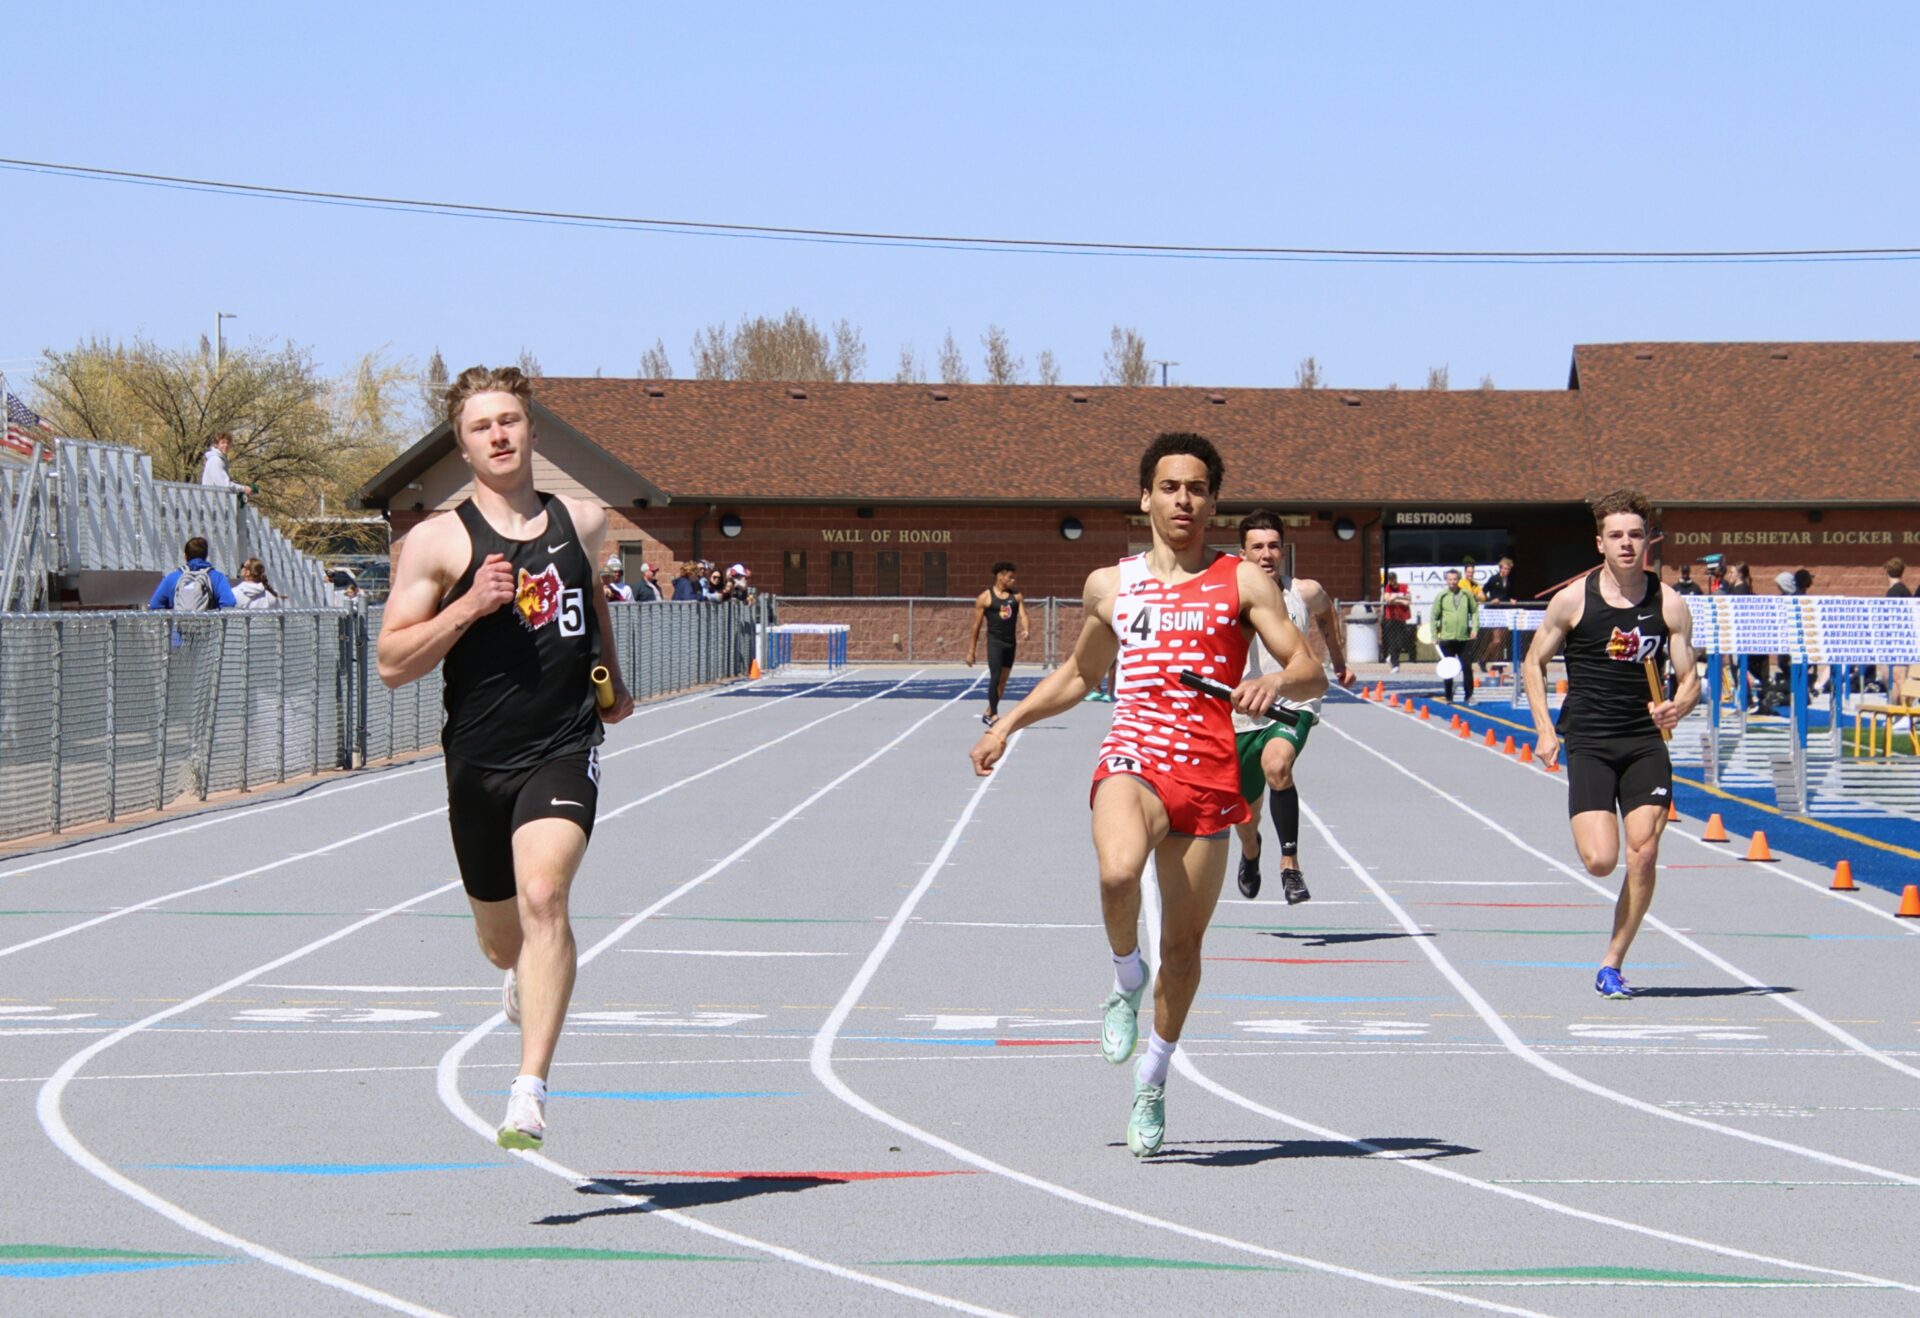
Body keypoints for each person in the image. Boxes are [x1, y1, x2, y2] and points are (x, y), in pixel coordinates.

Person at [969, 432, 1325, 1158]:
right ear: (1146, 498)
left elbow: (1310, 670)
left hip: (1209, 774)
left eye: (1197, 488)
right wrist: (1008, 723)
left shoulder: (1243, 583)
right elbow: (1078, 673)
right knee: (1116, 871)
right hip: (1134, 754)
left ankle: (1153, 1080)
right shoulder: (1113, 584)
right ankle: (1124, 974)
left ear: (1213, 502)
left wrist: (1274, 682)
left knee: (1187, 952)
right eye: (1170, 487)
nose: (1183, 500)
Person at [376, 364, 634, 1151]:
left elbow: (591, 603)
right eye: (482, 426)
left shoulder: (583, 522)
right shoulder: (437, 540)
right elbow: (391, 662)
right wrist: (468, 606)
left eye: (510, 421)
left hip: (561, 748)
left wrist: (613, 681)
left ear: (531, 431)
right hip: (478, 762)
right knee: (503, 941)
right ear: (461, 445)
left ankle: (529, 1089)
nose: (499, 435)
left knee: (545, 893)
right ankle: (520, 981)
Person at [1523, 488, 1698, 1000]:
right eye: (1616, 535)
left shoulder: (1668, 602)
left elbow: (1690, 678)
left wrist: (1678, 706)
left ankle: (1612, 962)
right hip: (1591, 742)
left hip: (1645, 742)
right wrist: (1544, 729)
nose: (1626, 544)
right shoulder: (1575, 599)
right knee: (1601, 860)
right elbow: (1533, 662)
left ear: (1648, 542)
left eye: (1636, 535)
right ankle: (1612, 950)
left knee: (1643, 854)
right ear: (1600, 543)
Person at [1230, 511, 1353, 905]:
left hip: (1292, 700)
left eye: (1273, 546)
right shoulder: (1228, 595)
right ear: (1242, 552)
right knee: (1246, 818)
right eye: (1257, 547)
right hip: (1242, 712)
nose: (1266, 554)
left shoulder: (1303, 591)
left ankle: (1290, 865)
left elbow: (1326, 613)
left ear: (1283, 551)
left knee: (1278, 765)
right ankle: (1251, 853)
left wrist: (1338, 659)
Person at [966, 562, 1030, 727]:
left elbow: (1023, 615)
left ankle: (988, 711)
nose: (1013, 580)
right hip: (995, 642)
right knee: (995, 677)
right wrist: (971, 651)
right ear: (1001, 577)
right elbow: (976, 626)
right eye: (1010, 577)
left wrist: (1026, 629)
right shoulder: (985, 598)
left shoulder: (1016, 596)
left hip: (1010, 643)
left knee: (1003, 681)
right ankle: (993, 715)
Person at [1430, 568, 1480, 703]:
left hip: (1464, 639)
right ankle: (1448, 696)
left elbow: (1474, 612)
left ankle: (1469, 695)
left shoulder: (1466, 595)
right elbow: (1434, 616)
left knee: (1467, 667)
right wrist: (1434, 635)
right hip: (1447, 638)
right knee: (1448, 669)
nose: (1452, 582)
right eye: (1450, 580)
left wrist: (1475, 628)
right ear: (1446, 580)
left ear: (1458, 580)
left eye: (1454, 579)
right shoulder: (1442, 596)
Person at [148, 536, 238, 611]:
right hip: (208, 629)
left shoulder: (173, 577)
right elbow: (229, 602)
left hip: (179, 629)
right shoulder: (217, 577)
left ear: (185, 556)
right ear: (205, 555)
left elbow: (155, 604)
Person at [1480, 556, 1517, 674]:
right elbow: (1483, 592)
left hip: (1505, 611)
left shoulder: (1510, 581)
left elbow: (1509, 594)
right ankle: (1483, 660)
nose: (1506, 571)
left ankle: (1497, 664)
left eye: (1508, 569)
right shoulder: (1493, 579)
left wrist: (1512, 600)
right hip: (1494, 611)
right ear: (1500, 568)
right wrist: (1491, 600)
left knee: (1503, 640)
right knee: (1496, 640)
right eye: (1504, 569)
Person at [1380, 571, 1415, 670]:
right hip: (1391, 618)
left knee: (1400, 642)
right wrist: (1401, 599)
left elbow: (1408, 600)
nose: (1391, 582)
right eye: (1390, 580)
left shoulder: (1403, 587)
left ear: (1396, 578)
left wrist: (1396, 597)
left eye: (1393, 579)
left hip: (1402, 617)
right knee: (1392, 641)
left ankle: (1392, 658)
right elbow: (1388, 600)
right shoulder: (1387, 587)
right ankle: (1395, 664)